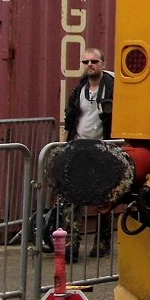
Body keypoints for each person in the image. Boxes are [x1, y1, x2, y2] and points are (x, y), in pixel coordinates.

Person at [63, 47, 115, 256]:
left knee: (104, 198)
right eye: (85, 62)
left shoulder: (112, 88)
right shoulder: (78, 91)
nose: (89, 65)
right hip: (79, 147)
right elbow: (71, 118)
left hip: (103, 149)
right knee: (73, 197)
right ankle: (71, 245)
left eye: (94, 61)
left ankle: (102, 244)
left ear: (103, 64)